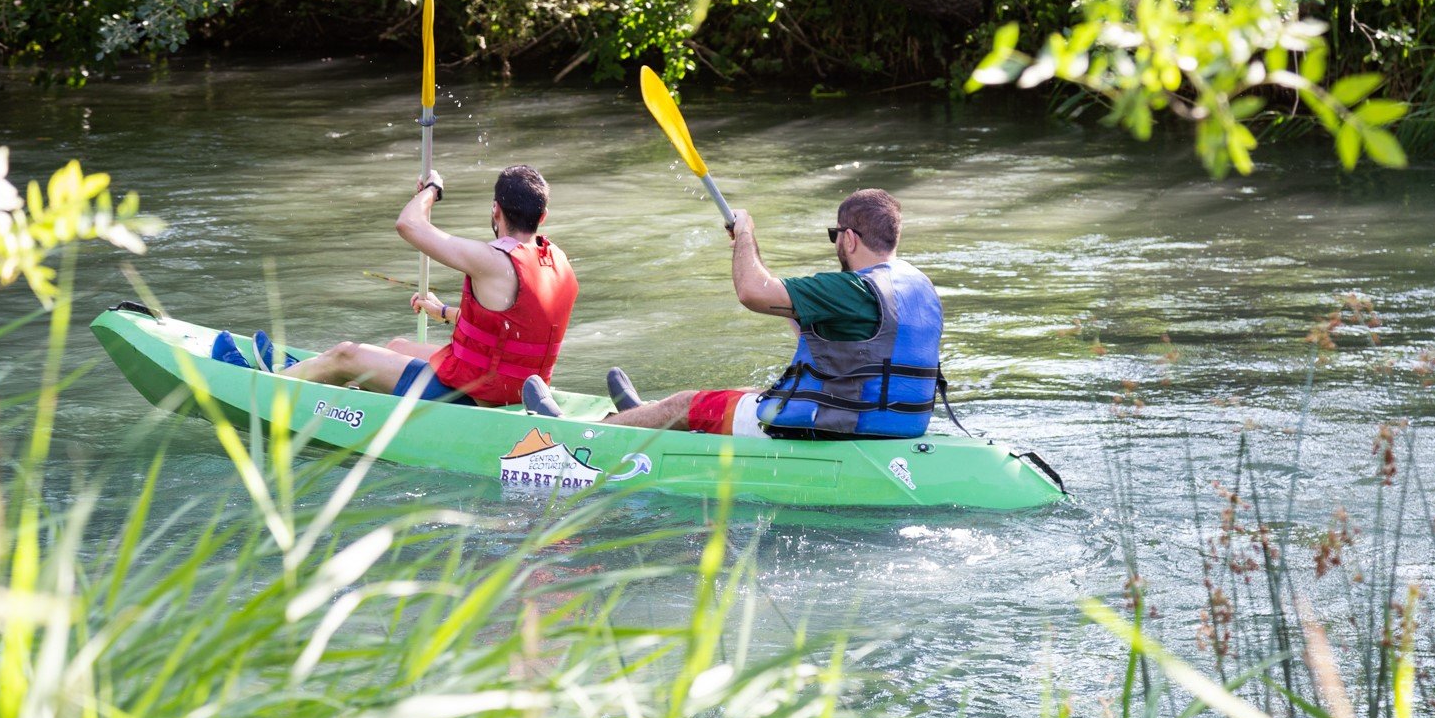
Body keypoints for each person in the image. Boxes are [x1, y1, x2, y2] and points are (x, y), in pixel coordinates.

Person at [526, 188, 943, 439]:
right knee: (745, 393)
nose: (836, 243)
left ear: (849, 238)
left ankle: (584, 432)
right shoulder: (917, 289)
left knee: (687, 403)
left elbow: (751, 292)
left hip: (838, 423)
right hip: (894, 424)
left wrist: (746, 234)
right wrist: (749, 252)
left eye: (836, 235)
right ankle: (638, 415)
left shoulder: (851, 288)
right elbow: (825, 342)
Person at [216, 164, 577, 406]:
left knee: (347, 353)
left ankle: (261, 391)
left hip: (478, 392)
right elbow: (514, 325)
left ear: (496, 210)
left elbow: (408, 225)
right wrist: (444, 311)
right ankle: (319, 384)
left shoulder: (492, 260)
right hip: (520, 388)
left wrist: (431, 190)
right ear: (542, 216)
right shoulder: (557, 262)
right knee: (397, 346)